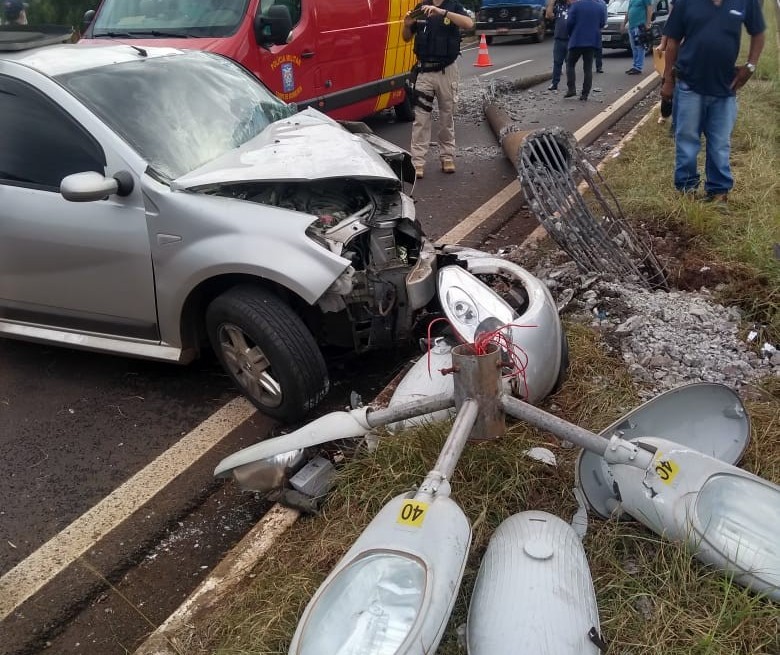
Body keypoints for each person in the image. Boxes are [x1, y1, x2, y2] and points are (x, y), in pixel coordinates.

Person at [660, 0, 765, 204]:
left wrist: (750, 66)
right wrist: (668, 80)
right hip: (689, 83)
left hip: (725, 87)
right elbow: (672, 42)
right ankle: (686, 191)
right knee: (687, 140)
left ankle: (718, 193)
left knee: (719, 144)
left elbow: (758, 33)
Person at [402, 0, 474, 178]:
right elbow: (406, 37)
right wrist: (407, 25)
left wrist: (441, 12)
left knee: (446, 116)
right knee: (421, 119)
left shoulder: (453, 6)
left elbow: (469, 24)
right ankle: (417, 162)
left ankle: (447, 157)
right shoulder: (421, 8)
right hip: (424, 71)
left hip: (446, 71)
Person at [564, 0, 607, 101]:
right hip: (592, 41)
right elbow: (602, 23)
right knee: (588, 68)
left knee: (570, 64)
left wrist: (571, 33)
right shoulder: (599, 7)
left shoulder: (576, 6)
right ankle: (585, 94)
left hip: (577, 40)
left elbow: (569, 22)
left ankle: (571, 88)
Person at [545, 0, 571, 91]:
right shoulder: (558, 6)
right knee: (557, 62)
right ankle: (554, 83)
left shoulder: (574, 6)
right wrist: (552, 2)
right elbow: (548, 15)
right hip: (559, 39)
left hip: (571, 39)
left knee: (570, 63)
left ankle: (570, 85)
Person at [621, 0, 653, 74]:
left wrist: (648, 23)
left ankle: (638, 67)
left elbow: (649, 8)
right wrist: (624, 23)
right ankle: (635, 66)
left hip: (639, 26)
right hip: (631, 26)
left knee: (640, 47)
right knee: (634, 47)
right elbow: (628, 11)